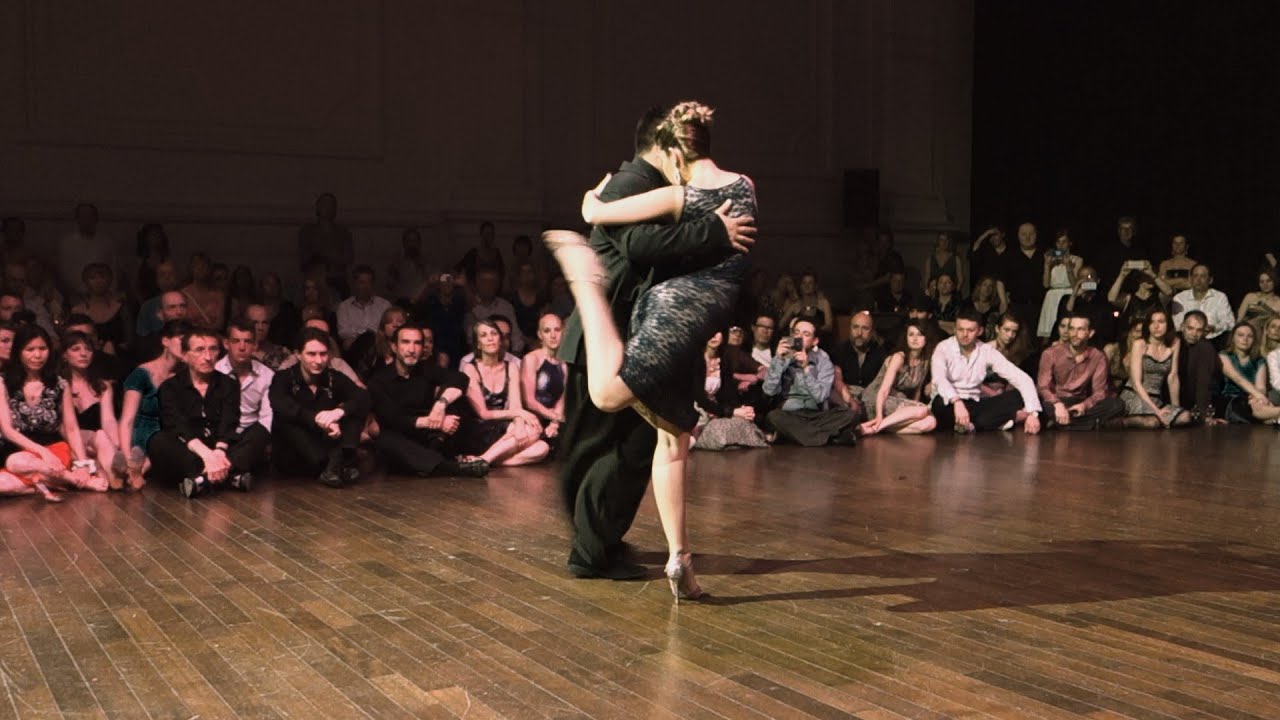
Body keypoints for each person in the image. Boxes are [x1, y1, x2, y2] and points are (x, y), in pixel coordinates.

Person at [548, 101, 756, 597]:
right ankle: (592, 552)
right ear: (665, 149)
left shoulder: (648, 185)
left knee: (627, 446)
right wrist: (712, 230)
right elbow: (640, 246)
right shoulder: (634, 183)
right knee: (615, 447)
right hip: (613, 332)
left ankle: (601, 544)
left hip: (625, 332)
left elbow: (618, 221)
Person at [152, 329, 263, 497]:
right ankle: (228, 476)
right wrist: (206, 455)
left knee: (258, 433)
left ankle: (202, 480)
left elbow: (229, 422)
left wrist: (218, 452)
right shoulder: (170, 388)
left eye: (213, 349)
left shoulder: (228, 384)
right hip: (192, 449)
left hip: (220, 448)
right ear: (185, 355)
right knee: (158, 441)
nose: (208, 357)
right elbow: (177, 425)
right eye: (199, 350)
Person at [0, 325, 104, 501]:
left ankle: (55, 479)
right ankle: (68, 481)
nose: (37, 355)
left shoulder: (60, 384)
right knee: (6, 476)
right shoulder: (4, 383)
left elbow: (71, 428)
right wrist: (42, 453)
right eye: (30, 350)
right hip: (20, 451)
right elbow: (7, 430)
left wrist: (82, 463)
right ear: (19, 352)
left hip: (53, 449)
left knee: (17, 464)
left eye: (42, 349)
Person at [368, 325, 487, 478]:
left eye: (417, 343)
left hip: (433, 437)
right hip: (404, 437)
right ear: (394, 347)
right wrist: (435, 421)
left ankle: (430, 463)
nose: (412, 349)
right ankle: (451, 468)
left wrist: (441, 403)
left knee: (454, 396)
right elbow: (392, 420)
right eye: (406, 342)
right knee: (385, 438)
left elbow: (461, 378)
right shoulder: (379, 380)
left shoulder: (427, 369)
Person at [269, 328, 371, 488]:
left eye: (323, 354)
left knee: (354, 408)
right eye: (311, 354)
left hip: (327, 442)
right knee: (285, 419)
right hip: (297, 453)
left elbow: (362, 397)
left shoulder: (333, 377)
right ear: (298, 354)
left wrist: (339, 412)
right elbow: (281, 405)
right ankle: (337, 465)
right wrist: (319, 419)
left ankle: (336, 465)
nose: (318, 360)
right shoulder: (283, 378)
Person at [931, 309, 1042, 433]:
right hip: (949, 404)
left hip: (975, 404)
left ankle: (974, 425)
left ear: (980, 331)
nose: (964, 334)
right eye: (960, 329)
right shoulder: (943, 348)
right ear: (955, 329)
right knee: (939, 404)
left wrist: (1033, 414)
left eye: (970, 330)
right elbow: (939, 378)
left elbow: (1021, 378)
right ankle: (990, 422)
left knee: (1017, 395)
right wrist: (957, 401)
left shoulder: (985, 350)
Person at [457, 319, 550, 467]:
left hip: (503, 428)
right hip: (478, 428)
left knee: (542, 448)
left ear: (500, 340)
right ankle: (486, 458)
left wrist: (519, 423)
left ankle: (485, 460)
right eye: (484, 335)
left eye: (494, 333)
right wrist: (522, 415)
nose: (490, 338)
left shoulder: (511, 367)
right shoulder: (470, 368)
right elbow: (483, 413)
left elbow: (515, 405)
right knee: (532, 431)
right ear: (478, 344)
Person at [761, 319, 857, 446]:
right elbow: (769, 391)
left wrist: (806, 369)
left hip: (817, 415)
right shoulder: (783, 357)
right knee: (773, 417)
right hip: (789, 414)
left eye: (806, 334)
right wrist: (778, 360)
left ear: (815, 341)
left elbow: (820, 397)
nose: (799, 337)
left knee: (850, 415)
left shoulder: (823, 362)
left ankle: (793, 436)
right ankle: (830, 438)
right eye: (796, 333)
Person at [118, 320, 189, 488]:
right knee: (142, 451)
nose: (186, 346)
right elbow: (127, 420)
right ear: (165, 341)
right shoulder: (142, 373)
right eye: (182, 340)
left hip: (169, 435)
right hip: (142, 433)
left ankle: (139, 470)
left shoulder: (184, 376)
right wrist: (128, 457)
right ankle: (131, 467)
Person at [1036, 313, 1126, 430]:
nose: (1074, 334)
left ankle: (1064, 424)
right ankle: (1094, 424)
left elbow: (1099, 391)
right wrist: (1057, 404)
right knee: (1044, 406)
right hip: (1056, 399)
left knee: (1117, 404)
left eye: (1080, 329)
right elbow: (1043, 386)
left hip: (1080, 401)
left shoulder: (1098, 356)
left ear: (1090, 333)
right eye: (1072, 329)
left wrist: (1084, 405)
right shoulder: (1051, 353)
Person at [61, 331, 124, 490]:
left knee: (103, 436)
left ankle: (112, 474)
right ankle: (115, 475)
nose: (83, 354)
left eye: (88, 349)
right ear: (64, 355)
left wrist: (115, 445)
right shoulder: (59, 385)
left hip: (98, 444)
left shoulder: (102, 386)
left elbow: (109, 420)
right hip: (69, 443)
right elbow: (63, 428)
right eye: (76, 349)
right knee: (99, 438)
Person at [858, 321, 937, 435]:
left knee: (930, 422)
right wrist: (879, 415)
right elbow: (883, 390)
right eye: (911, 334)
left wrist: (913, 411)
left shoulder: (925, 361)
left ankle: (876, 428)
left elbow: (917, 391)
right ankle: (877, 426)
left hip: (897, 400)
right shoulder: (899, 357)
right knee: (923, 410)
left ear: (926, 338)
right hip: (877, 398)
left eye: (919, 334)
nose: (914, 338)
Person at [1118, 310, 1192, 428]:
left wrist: (1175, 409)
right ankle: (1120, 421)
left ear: (1168, 324)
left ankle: (1157, 416)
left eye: (1161, 322)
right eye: (1152, 322)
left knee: (1185, 417)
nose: (1156, 326)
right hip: (1136, 396)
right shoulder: (1140, 344)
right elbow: (1136, 384)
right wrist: (1157, 411)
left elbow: (1173, 376)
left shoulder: (1175, 343)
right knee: (1153, 422)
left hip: (1156, 398)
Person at [215, 320, 275, 463]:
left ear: (255, 345)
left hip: (250, 434)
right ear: (226, 344)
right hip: (219, 433)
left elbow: (267, 419)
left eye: (248, 342)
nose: (242, 347)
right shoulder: (215, 371)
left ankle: (218, 471)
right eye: (236, 341)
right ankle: (234, 473)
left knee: (261, 433)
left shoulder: (267, 375)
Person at [1215, 321, 1280, 424]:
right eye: (1241, 335)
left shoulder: (1259, 360)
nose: (1245, 339)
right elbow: (1237, 378)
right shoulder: (1224, 355)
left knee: (1258, 406)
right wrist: (1258, 395)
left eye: (1250, 336)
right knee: (1247, 405)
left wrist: (1258, 397)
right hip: (1231, 398)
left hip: (1253, 398)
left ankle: (1273, 418)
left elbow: (1261, 387)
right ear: (1233, 338)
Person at [521, 313, 568, 449]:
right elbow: (529, 401)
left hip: (552, 419)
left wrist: (555, 422)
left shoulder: (565, 363)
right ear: (540, 335)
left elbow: (561, 399)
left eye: (557, 330)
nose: (553, 335)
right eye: (547, 331)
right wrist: (556, 417)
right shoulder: (531, 359)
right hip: (532, 418)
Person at [829, 311, 887, 417]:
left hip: (872, 398)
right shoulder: (839, 350)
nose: (859, 333)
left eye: (865, 328)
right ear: (850, 329)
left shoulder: (880, 352)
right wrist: (850, 400)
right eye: (855, 327)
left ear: (872, 331)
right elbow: (837, 381)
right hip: (846, 395)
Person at [297, 192, 354, 298]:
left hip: (337, 279)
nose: (327, 208)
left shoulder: (343, 232)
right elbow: (304, 259)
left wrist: (327, 255)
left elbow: (348, 258)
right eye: (323, 204)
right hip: (314, 280)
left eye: (330, 204)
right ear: (317, 207)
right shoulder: (307, 232)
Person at [71, 262, 133, 359]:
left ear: (109, 280)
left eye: (102, 276)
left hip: (121, 360)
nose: (98, 281)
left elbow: (130, 338)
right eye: (92, 278)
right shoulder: (78, 310)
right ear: (86, 282)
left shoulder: (120, 306)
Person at [1171, 264, 1234, 344]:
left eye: (1203, 276)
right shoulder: (1179, 298)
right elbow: (1178, 325)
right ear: (1190, 279)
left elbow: (1230, 323)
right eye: (1195, 276)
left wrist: (1214, 328)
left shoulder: (1220, 297)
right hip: (1187, 342)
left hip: (1214, 341)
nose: (1198, 279)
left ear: (1210, 280)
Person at [1037, 229, 1082, 338]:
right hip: (1052, 297)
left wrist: (1068, 267)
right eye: (1058, 242)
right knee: (1048, 334)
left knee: (1067, 330)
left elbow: (1074, 284)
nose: (1061, 245)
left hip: (1068, 295)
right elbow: (1046, 284)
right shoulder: (1051, 259)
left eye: (1064, 241)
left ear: (1070, 243)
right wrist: (1047, 265)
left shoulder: (1077, 259)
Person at [336, 265, 392, 351]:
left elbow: (388, 328)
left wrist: (371, 336)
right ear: (355, 284)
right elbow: (343, 331)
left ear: (373, 284)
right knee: (348, 343)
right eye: (362, 282)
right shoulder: (344, 306)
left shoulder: (384, 305)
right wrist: (365, 335)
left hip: (379, 343)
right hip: (355, 343)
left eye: (369, 282)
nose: (366, 286)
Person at [181, 253, 227, 331]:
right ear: (191, 268)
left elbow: (219, 324)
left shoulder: (218, 295)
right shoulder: (183, 294)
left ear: (209, 269)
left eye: (204, 265)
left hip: (213, 337)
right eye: (196, 265)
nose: (200, 268)